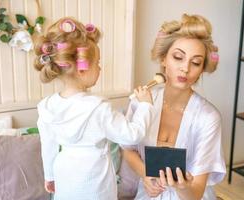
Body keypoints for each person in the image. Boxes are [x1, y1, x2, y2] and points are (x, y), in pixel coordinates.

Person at [33, 17, 154, 200]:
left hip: (64, 173)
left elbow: (48, 146)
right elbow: (132, 135)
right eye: (97, 63)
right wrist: (145, 105)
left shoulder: (47, 107)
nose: (100, 68)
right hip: (94, 180)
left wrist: (50, 175)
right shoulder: (98, 108)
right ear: (82, 69)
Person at [122, 14, 226, 200]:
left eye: (195, 63)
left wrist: (182, 187)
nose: (185, 68)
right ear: (163, 59)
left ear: (202, 69)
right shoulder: (142, 101)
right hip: (149, 193)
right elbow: (128, 148)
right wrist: (146, 175)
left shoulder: (208, 117)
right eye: (178, 57)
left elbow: (195, 193)